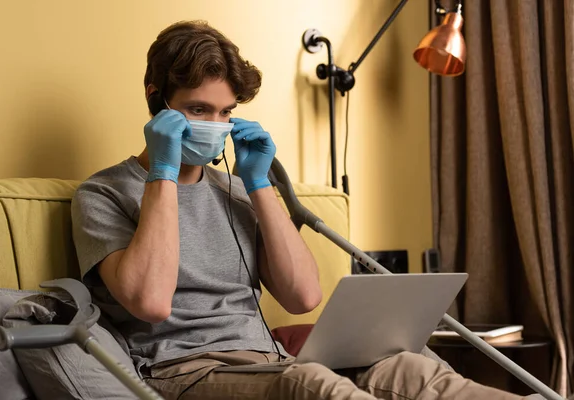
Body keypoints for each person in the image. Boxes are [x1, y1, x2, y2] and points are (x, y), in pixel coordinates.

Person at [71, 20, 525, 400]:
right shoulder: (104, 194)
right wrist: (164, 172)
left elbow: (302, 296)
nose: (215, 127)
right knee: (311, 385)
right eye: (197, 110)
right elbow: (150, 302)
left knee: (410, 370)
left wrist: (257, 184)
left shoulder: (233, 188)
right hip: (183, 372)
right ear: (156, 101)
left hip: (272, 364)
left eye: (225, 112)